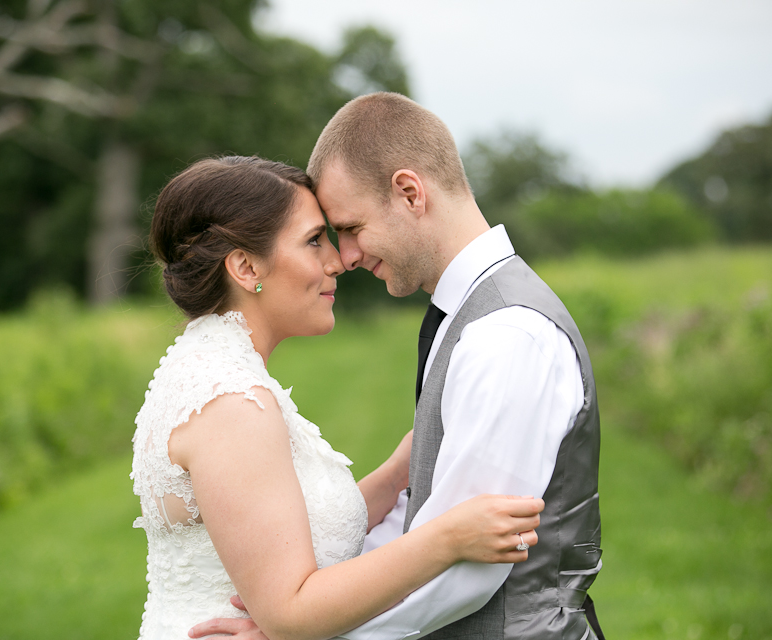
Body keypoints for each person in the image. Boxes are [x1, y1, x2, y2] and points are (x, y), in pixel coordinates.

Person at [193, 94, 605, 640]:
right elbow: (428, 527)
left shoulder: (505, 335)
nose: (344, 258)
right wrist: (301, 608)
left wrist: (305, 634)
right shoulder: (467, 317)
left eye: (351, 227)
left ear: (409, 193)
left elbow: (469, 570)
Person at [131, 155, 544, 640]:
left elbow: (294, 525)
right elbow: (291, 613)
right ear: (245, 267)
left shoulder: (216, 371)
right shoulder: (231, 404)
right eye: (314, 241)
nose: (337, 260)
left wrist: (397, 473)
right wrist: (448, 538)